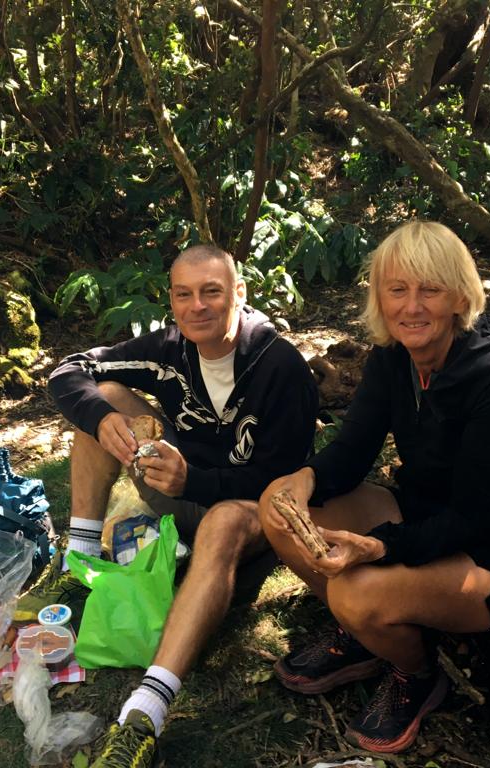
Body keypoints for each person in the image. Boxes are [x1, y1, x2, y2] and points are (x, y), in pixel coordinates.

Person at [258, 220, 490, 754]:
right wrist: (306, 478)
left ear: (460, 297)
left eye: (430, 290)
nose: (412, 307)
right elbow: (352, 451)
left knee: (353, 588)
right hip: (421, 517)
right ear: (380, 297)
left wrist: (378, 548)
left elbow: (475, 517)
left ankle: (415, 672)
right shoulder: (394, 358)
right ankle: (364, 633)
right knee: (277, 505)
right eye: (397, 289)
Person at [48, 244, 318, 767]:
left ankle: (144, 714)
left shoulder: (280, 367)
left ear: (239, 293)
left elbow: (282, 481)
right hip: (179, 489)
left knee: (223, 520)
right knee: (103, 402)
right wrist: (102, 419)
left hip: (252, 515)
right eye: (184, 295)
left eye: (211, 292)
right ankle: (77, 563)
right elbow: (69, 370)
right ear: (171, 301)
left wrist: (194, 479)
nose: (198, 306)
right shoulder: (169, 348)